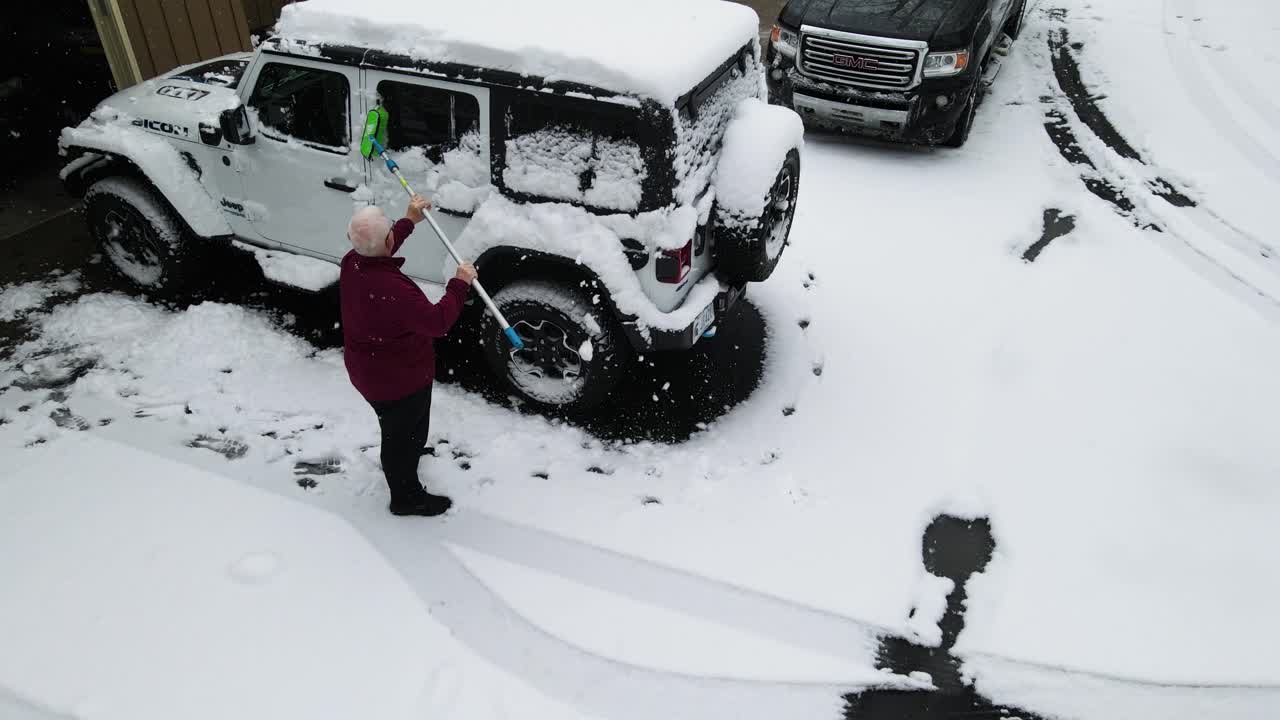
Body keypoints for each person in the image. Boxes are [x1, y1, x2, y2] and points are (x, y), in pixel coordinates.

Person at [341, 195, 478, 516]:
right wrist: (459, 284)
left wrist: (408, 221)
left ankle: (409, 451)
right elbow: (437, 322)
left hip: (372, 370)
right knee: (398, 435)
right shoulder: (393, 289)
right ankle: (405, 497)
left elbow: (380, 248)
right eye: (392, 231)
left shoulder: (353, 261)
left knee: (407, 428)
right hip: (397, 380)